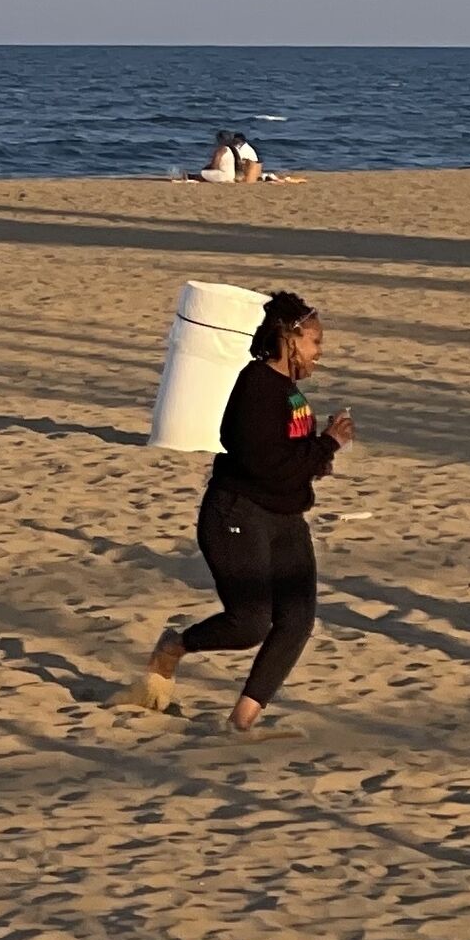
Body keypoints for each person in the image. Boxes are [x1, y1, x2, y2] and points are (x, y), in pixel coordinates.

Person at [131, 287, 352, 734]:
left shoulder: (290, 393)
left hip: (285, 516)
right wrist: (328, 444)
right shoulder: (255, 387)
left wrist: (318, 453)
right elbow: (265, 465)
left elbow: (290, 459)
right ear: (289, 340)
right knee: (249, 623)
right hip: (237, 514)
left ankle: (241, 723)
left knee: (297, 620)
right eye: (314, 342)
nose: (319, 353)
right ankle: (174, 647)